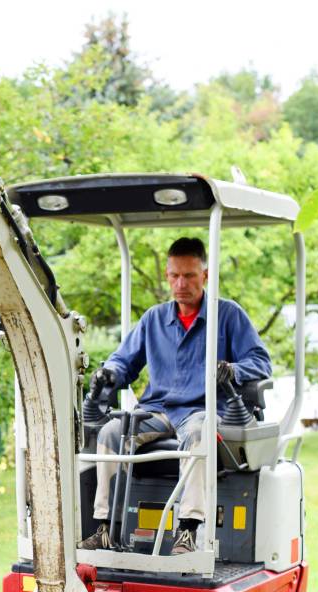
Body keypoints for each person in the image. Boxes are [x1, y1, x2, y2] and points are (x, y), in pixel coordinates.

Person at [80, 236, 272, 554]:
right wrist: (109, 373)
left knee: (199, 432)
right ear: (168, 276)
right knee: (112, 431)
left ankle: (187, 531)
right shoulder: (154, 319)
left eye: (190, 275)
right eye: (175, 275)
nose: (181, 283)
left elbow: (261, 362)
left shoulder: (228, 315)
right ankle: (105, 528)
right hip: (158, 410)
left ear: (205, 276)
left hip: (202, 408)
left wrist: (233, 370)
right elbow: (122, 361)